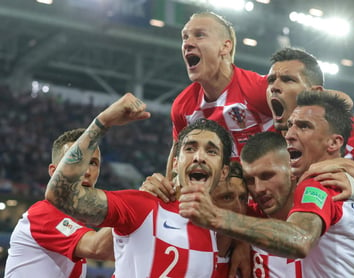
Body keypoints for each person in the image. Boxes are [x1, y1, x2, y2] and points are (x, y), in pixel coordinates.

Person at [179, 91, 354, 277]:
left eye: (304, 126)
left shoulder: (319, 183)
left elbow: (300, 238)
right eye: (290, 125)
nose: (289, 133)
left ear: (334, 142)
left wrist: (217, 218)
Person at [44, 92, 235, 277]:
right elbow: (60, 194)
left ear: (223, 172)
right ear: (175, 163)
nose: (199, 157)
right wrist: (102, 122)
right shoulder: (142, 204)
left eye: (211, 151)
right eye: (190, 148)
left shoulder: (219, 231)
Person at [266, 47, 354, 170]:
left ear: (315, 92)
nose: (274, 87)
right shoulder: (262, 142)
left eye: (288, 80)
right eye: (271, 80)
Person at [168, 11, 274, 178]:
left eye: (199, 35)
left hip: (269, 194)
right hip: (224, 199)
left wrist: (331, 162)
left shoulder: (260, 88)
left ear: (225, 46)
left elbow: (318, 109)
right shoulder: (183, 106)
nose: (188, 43)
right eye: (185, 37)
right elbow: (177, 156)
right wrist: (165, 190)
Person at [5, 128, 114, 278]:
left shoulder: (77, 226)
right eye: (77, 161)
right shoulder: (43, 214)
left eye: (93, 163)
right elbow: (98, 248)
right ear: (54, 172)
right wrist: (140, 203)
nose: (87, 171)